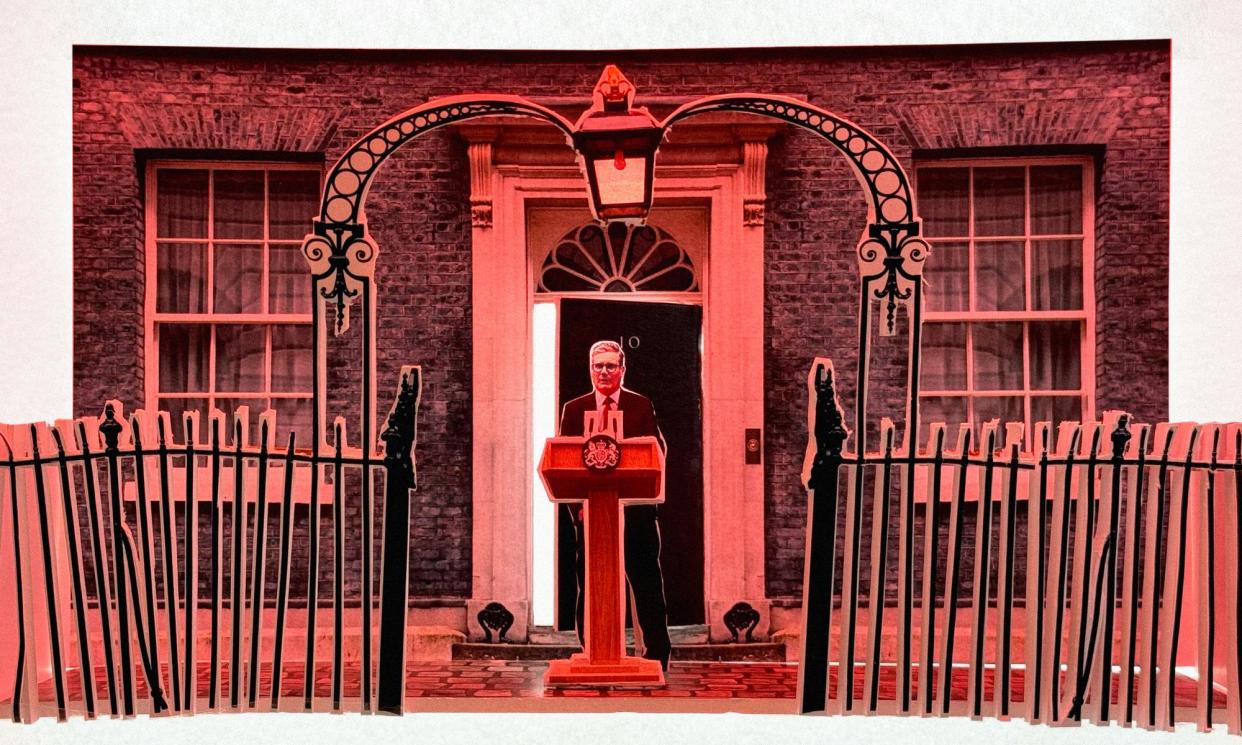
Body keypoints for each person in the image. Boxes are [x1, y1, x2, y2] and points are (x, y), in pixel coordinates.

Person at [559, 339, 671, 671]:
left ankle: (656, 654)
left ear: (622, 370)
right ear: (590, 370)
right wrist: (578, 508)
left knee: (646, 579)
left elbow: (655, 453)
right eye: (598, 366)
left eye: (610, 365)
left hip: (635, 511)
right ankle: (591, 649)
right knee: (589, 580)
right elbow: (563, 459)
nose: (604, 372)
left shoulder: (640, 406)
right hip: (591, 513)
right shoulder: (575, 409)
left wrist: (648, 497)